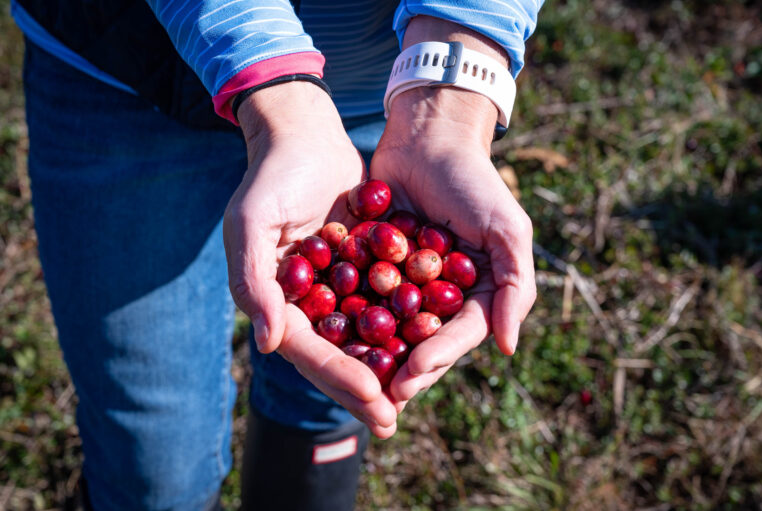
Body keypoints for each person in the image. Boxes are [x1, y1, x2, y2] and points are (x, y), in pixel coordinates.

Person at [11, 1, 541, 509]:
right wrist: (272, 87)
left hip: (387, 94)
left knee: (330, 399)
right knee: (151, 443)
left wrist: (449, 101)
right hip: (125, 75)